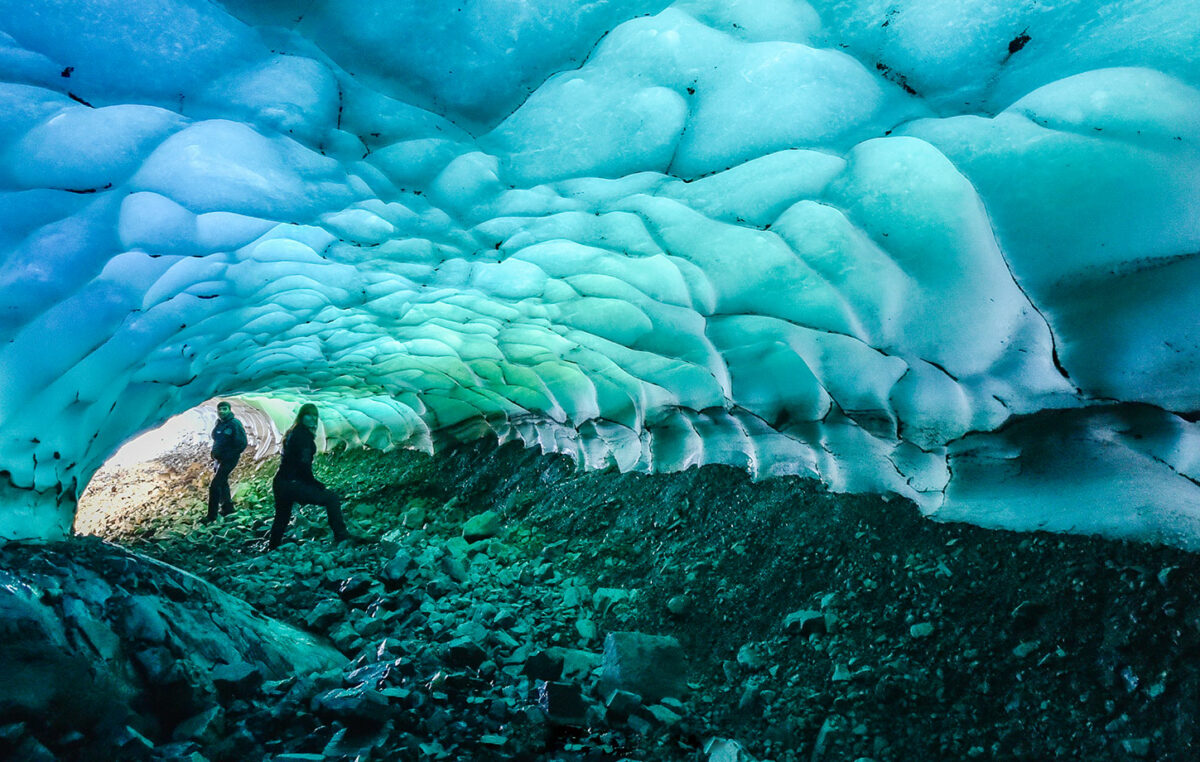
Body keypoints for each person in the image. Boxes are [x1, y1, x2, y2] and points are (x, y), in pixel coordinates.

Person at [267, 403, 351, 549]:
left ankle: (272, 547)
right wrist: (314, 483)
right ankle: (341, 535)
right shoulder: (303, 436)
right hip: (292, 484)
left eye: (315, 416)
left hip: (281, 482)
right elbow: (303, 465)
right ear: (302, 416)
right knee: (331, 498)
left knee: (282, 517)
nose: (312, 418)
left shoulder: (294, 432)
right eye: (309, 415)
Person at [204, 400, 247, 523]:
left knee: (215, 486)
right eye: (220, 409)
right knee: (222, 483)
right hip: (219, 459)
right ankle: (228, 508)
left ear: (229, 410)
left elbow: (242, 443)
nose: (221, 411)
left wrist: (229, 455)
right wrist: (214, 452)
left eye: (224, 409)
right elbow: (218, 439)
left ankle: (211, 516)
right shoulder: (219, 423)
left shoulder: (234, 424)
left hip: (228, 460)